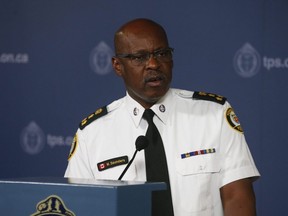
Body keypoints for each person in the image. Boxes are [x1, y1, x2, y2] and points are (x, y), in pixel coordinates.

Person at [65, 18, 260, 216]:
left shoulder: (213, 115)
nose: (153, 64)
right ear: (117, 66)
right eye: (139, 57)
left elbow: (238, 197)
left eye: (161, 54)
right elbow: (78, 206)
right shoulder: (91, 134)